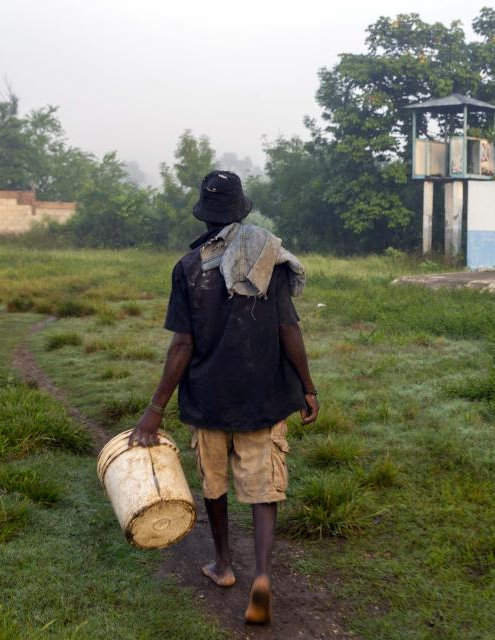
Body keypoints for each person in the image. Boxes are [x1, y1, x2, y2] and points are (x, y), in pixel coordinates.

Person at [129, 170, 319, 625]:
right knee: (263, 488)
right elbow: (287, 329)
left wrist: (154, 412)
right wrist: (307, 386)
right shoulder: (267, 259)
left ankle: (223, 565)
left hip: (208, 399)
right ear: (241, 209)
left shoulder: (188, 268)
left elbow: (182, 346)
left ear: (204, 211)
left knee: (214, 484)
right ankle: (263, 578)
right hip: (264, 394)